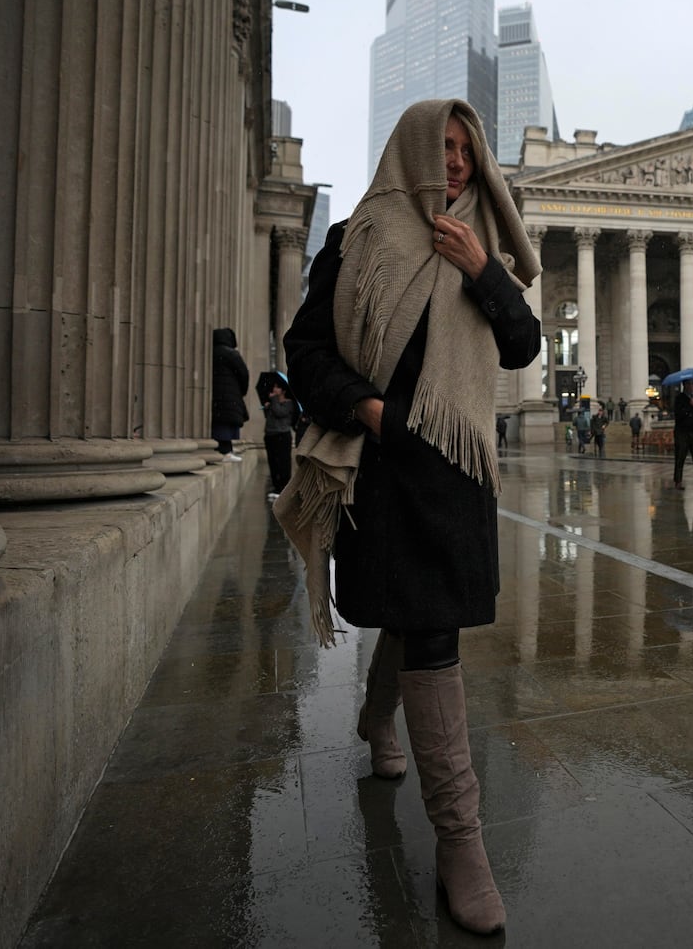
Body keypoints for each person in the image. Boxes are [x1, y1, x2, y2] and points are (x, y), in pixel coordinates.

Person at [279, 98, 541, 936]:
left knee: (430, 623)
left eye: (469, 149)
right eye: (446, 146)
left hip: (456, 471)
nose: (458, 163)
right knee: (418, 620)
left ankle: (380, 722)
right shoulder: (355, 238)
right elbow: (305, 349)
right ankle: (462, 844)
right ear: (415, 150)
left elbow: (524, 344)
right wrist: (370, 409)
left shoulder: (481, 241)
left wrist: (481, 270)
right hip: (388, 468)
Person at [211, 327, 249, 460]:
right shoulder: (232, 354)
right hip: (230, 396)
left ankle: (224, 449)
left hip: (216, 396)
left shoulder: (211, 353)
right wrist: (241, 391)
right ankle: (226, 451)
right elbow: (244, 374)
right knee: (227, 423)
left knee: (220, 422)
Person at [262, 381, 297, 498]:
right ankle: (276, 487)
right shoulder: (273, 402)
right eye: (274, 387)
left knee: (283, 462)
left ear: (283, 391)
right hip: (270, 434)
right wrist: (267, 407)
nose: (274, 389)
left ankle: (283, 488)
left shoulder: (289, 403)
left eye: (277, 387)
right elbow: (269, 417)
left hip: (282, 435)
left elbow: (279, 413)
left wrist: (273, 401)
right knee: (272, 462)